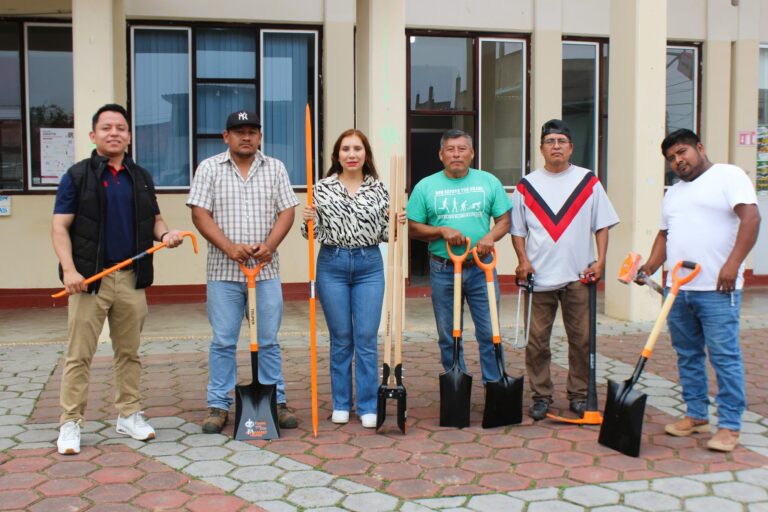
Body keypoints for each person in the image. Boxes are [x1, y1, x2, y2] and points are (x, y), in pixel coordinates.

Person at [51, 104, 184, 455]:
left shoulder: (140, 176)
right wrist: (69, 270)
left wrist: (166, 234)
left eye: (121, 127)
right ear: (93, 135)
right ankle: (70, 422)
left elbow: (155, 220)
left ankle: (128, 414)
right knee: (79, 354)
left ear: (129, 135)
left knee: (129, 353)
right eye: (107, 127)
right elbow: (60, 226)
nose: (114, 133)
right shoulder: (77, 176)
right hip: (89, 280)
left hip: (130, 278)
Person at [637, 129, 760, 452]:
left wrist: (733, 265)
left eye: (682, 153)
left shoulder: (728, 176)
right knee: (688, 355)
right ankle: (696, 414)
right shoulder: (673, 193)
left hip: (717, 289)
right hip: (678, 291)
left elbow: (751, 218)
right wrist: (650, 267)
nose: (678, 161)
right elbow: (665, 235)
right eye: (671, 158)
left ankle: (730, 426)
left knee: (724, 357)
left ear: (699, 148)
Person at [187, 110, 299, 434]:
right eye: (239, 131)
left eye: (252, 131)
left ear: (260, 137)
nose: (246, 137)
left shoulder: (275, 168)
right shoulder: (209, 169)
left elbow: (287, 211)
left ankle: (275, 400)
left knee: (268, 340)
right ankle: (218, 405)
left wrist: (271, 244)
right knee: (223, 341)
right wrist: (228, 247)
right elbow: (199, 214)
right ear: (226, 137)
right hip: (224, 272)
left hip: (265, 272)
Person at [510, 119, 619, 421]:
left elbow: (602, 225)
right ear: (542, 148)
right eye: (550, 141)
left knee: (582, 340)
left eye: (561, 141)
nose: (555, 146)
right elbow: (517, 230)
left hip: (578, 276)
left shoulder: (588, 182)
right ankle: (541, 396)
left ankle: (580, 395)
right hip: (538, 278)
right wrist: (522, 260)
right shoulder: (526, 185)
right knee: (536, 343)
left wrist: (601, 260)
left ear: (571, 147)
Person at [301, 129, 404, 428]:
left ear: (366, 154)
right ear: (337, 155)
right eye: (345, 149)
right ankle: (342, 403)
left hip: (369, 265)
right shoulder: (321, 189)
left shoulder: (380, 189)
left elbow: (388, 236)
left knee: (366, 338)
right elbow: (312, 235)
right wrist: (308, 220)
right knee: (342, 337)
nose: (351, 154)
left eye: (357, 149)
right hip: (332, 263)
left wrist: (396, 223)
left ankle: (369, 404)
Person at [406, 129, 512, 387]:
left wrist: (490, 237)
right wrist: (441, 230)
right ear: (441, 155)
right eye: (451, 149)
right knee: (448, 333)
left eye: (462, 149)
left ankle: (494, 384)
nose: (456, 154)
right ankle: (458, 385)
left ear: (472, 153)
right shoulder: (426, 186)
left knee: (490, 331)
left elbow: (504, 221)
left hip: (481, 267)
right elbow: (413, 228)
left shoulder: (488, 182)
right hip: (443, 269)